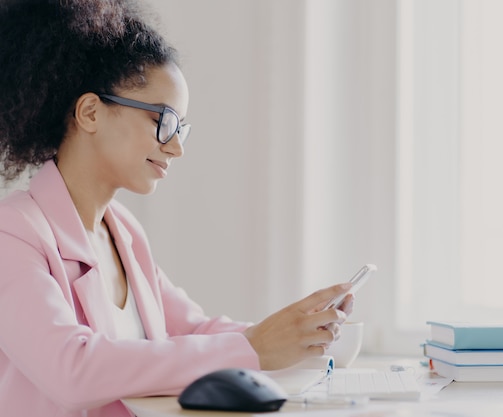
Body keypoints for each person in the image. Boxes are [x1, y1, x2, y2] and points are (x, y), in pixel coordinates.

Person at [0, 1, 354, 416]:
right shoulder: (14, 235)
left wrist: (294, 331)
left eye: (181, 128)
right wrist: (253, 348)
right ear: (91, 112)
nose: (177, 147)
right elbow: (72, 369)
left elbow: (193, 330)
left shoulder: (123, 232)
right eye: (164, 121)